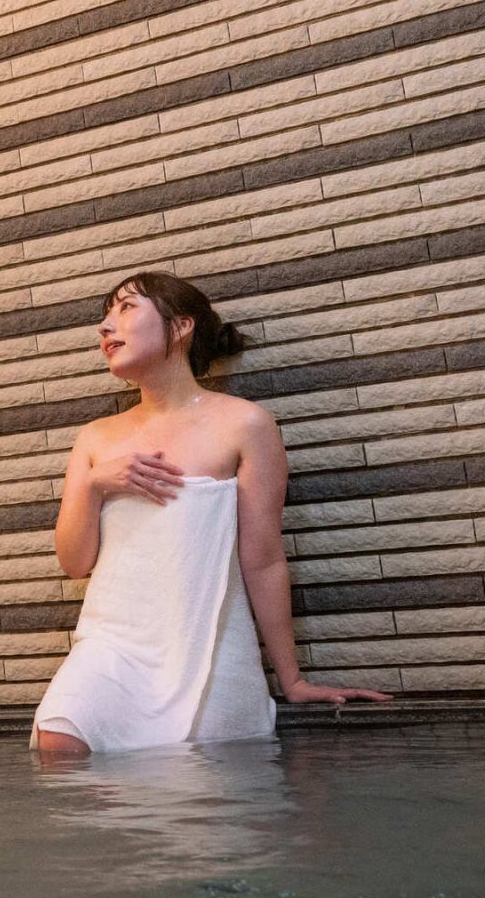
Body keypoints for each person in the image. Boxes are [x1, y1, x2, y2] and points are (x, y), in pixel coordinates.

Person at [33, 273, 390, 758]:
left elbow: (263, 558)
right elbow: (74, 563)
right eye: (106, 314)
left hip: (208, 640)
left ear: (182, 326)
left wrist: (291, 679)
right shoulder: (96, 438)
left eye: (126, 308)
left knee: (202, 779)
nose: (105, 326)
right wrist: (95, 484)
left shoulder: (244, 424)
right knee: (60, 736)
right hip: (113, 642)